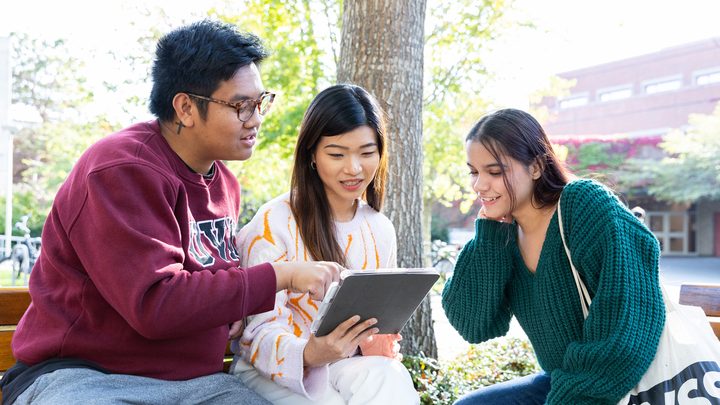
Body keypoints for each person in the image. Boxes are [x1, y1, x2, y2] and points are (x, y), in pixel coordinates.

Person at [0, 20, 341, 405]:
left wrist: (233, 309)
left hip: (197, 384)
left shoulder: (223, 182)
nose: (256, 118)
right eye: (241, 105)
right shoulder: (120, 171)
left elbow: (211, 288)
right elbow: (155, 305)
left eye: (260, 102)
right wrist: (282, 276)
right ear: (185, 107)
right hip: (87, 377)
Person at [442, 108, 664, 404]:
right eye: (473, 172)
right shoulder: (503, 236)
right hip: (564, 382)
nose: (479, 185)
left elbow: (626, 330)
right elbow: (473, 324)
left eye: (494, 172)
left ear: (535, 167)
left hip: (627, 382)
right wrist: (488, 237)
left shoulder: (583, 205)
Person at [231, 84, 418, 404]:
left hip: (344, 366)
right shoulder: (274, 222)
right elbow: (255, 335)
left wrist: (375, 342)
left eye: (366, 152)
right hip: (275, 373)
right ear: (312, 155)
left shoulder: (380, 228)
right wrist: (311, 352)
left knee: (391, 375)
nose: (354, 168)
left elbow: (375, 318)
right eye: (337, 154)